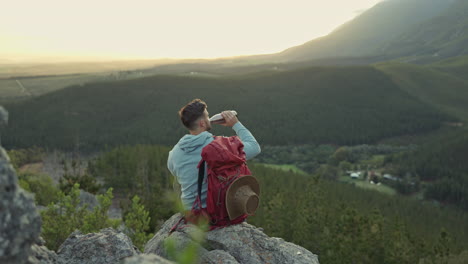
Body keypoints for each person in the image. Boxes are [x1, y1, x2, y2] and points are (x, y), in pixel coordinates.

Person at [167, 99, 261, 212]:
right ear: (202, 123)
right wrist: (235, 124)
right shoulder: (221, 146)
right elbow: (255, 147)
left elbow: (175, 173)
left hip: (190, 213)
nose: (209, 119)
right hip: (213, 213)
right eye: (207, 116)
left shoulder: (174, 152)